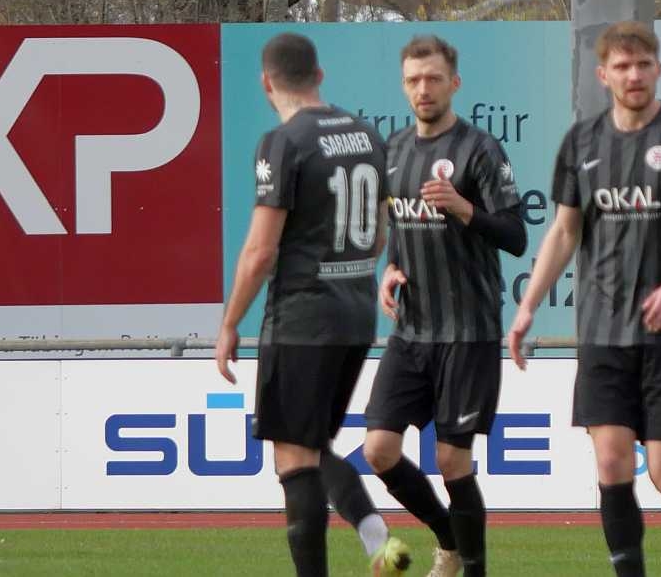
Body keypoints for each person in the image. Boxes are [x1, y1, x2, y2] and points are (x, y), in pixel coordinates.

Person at [506, 21, 661, 577]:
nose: (633, 75)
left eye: (643, 65)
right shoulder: (581, 143)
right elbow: (565, 231)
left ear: (658, 69)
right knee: (612, 465)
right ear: (603, 75)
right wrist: (528, 305)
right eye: (622, 66)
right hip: (602, 330)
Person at [215, 32, 411, 577]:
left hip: (302, 316)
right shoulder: (366, 134)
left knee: (294, 457)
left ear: (266, 82)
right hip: (355, 314)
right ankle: (377, 541)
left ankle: (377, 540)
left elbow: (260, 251)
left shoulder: (283, 142)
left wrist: (230, 323)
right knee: (312, 445)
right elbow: (378, 235)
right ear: (320, 75)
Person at [363, 34, 528, 577]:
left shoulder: (480, 150)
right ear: (403, 86)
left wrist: (463, 207)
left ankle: (471, 568)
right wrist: (390, 268)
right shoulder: (392, 150)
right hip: (411, 331)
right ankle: (448, 540)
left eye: (433, 78)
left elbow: (516, 236)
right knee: (378, 450)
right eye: (413, 80)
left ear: (454, 83)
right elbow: (398, 227)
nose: (423, 89)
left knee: (452, 461)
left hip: (467, 328)